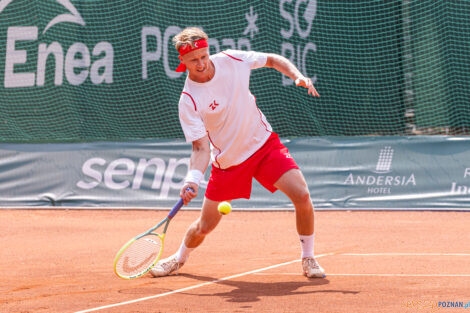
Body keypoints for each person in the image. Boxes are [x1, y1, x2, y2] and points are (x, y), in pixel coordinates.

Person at [150, 27, 324, 278]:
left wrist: (297, 75)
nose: (201, 63)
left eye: (203, 56)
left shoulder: (232, 59)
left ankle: (308, 258)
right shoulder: (188, 100)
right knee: (204, 227)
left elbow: (273, 60)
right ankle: (178, 259)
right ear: (183, 62)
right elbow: (200, 148)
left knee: (302, 194)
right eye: (193, 60)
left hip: (264, 146)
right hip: (228, 163)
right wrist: (192, 180)